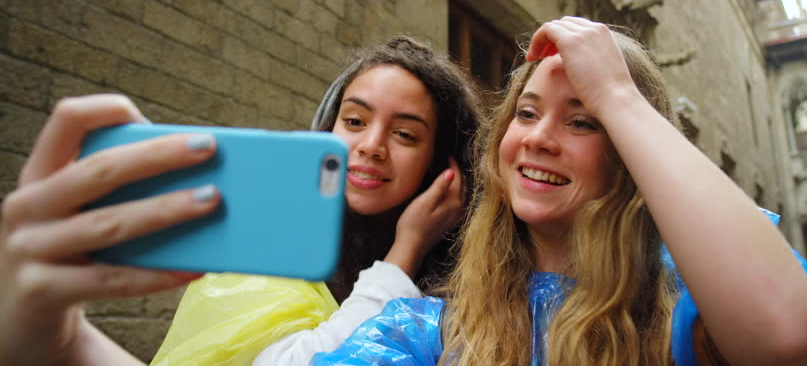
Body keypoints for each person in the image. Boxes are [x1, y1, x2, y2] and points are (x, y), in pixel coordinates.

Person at [314, 17, 807, 365]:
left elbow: (786, 336)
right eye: (526, 113)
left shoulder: (689, 310)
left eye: (583, 121)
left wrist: (617, 94)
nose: (538, 139)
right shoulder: (434, 328)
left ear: (632, 155)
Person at [0, 36, 483, 365]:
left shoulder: (465, 285)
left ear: (441, 166)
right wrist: (404, 253)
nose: (371, 146)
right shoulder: (268, 246)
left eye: (404, 134)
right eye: (354, 121)